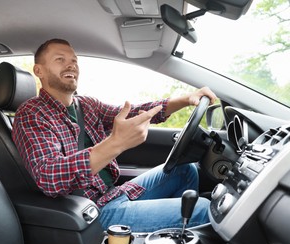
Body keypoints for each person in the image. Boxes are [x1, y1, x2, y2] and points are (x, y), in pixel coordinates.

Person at [12, 38, 218, 232]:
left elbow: (134, 112)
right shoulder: (31, 114)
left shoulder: (85, 105)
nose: (71, 65)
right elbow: (49, 176)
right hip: (90, 211)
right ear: (39, 70)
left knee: (185, 169)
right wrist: (116, 143)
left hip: (113, 194)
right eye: (60, 60)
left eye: (74, 61)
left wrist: (185, 99)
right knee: (201, 209)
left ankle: (177, 238)